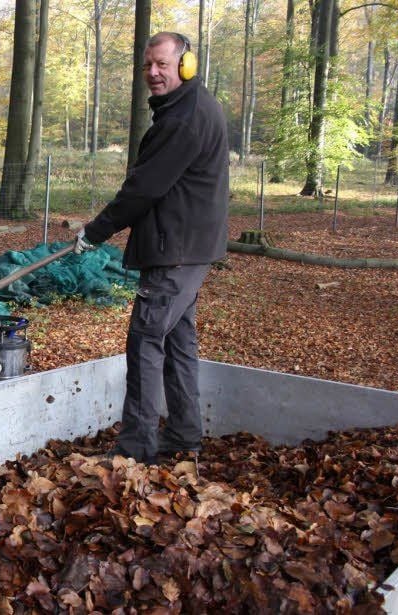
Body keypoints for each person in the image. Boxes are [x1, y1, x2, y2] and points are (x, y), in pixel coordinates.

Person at [74, 31, 229, 465]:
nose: (153, 74)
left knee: (145, 342)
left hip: (175, 252)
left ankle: (135, 449)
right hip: (188, 249)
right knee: (178, 344)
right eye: (148, 65)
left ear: (186, 65)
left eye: (162, 64)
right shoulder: (190, 106)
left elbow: (143, 189)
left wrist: (96, 231)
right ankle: (183, 437)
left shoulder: (183, 120)